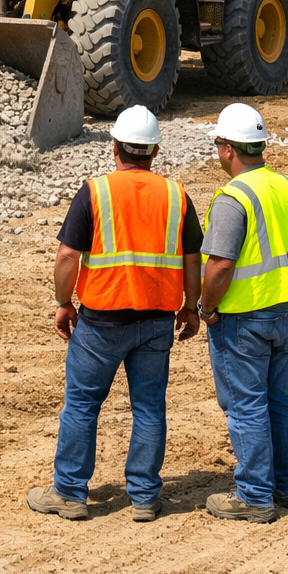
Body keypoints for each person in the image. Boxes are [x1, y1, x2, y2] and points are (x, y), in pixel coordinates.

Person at [27, 106, 202, 522]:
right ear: (155, 151)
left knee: (82, 405)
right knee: (149, 407)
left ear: (114, 148)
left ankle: (70, 493)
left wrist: (63, 302)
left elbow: (67, 255)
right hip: (157, 321)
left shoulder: (95, 192)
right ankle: (144, 497)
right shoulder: (177, 196)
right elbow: (193, 258)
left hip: (101, 322)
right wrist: (190, 307)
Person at [200, 103, 288, 523]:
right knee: (278, 398)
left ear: (228, 149)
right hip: (284, 311)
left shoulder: (233, 197)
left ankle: (254, 495)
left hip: (243, 318)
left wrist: (206, 307)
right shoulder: (287, 187)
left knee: (246, 405)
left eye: (219, 145)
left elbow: (220, 265)